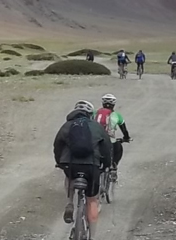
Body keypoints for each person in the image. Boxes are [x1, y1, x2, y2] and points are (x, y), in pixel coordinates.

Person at [54, 100, 112, 240]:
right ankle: (92, 236)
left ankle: (70, 203)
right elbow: (106, 148)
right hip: (91, 166)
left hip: (70, 164)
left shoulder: (67, 125)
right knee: (92, 200)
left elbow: (57, 146)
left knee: (69, 178)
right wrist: (105, 165)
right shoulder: (97, 127)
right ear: (90, 114)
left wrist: (60, 163)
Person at [93, 94, 131, 171]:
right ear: (113, 104)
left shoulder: (95, 113)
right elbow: (124, 130)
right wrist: (126, 138)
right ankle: (114, 165)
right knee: (118, 148)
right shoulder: (117, 115)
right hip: (109, 141)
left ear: (103, 103)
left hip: (94, 139)